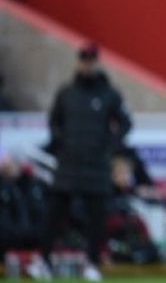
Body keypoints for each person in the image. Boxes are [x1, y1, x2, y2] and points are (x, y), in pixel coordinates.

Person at [32, 44, 132, 281]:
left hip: (96, 166)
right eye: (84, 59)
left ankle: (91, 262)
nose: (87, 64)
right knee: (53, 214)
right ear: (78, 62)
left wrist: (108, 146)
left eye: (91, 59)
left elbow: (126, 123)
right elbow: (54, 122)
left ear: (98, 62)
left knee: (97, 218)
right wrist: (62, 142)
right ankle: (44, 261)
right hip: (68, 164)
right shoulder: (66, 93)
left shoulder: (110, 94)